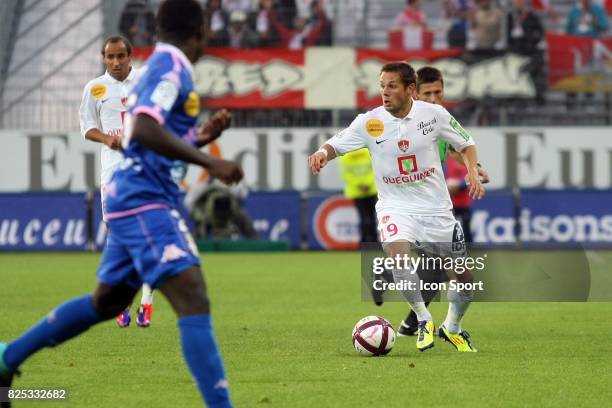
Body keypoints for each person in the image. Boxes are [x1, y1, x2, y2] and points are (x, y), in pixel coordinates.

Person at [1, 1, 243, 407]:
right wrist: (210, 161)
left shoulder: (158, 67)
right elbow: (145, 128)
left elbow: (144, 134)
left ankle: (7, 356)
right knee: (193, 297)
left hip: (136, 193)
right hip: (143, 197)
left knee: (107, 301)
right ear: (199, 30)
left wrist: (200, 138)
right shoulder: (171, 68)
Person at [309, 62, 484, 352]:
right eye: (381, 86)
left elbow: (466, 143)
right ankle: (423, 318)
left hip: (436, 210)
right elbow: (336, 144)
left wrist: (473, 171)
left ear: (409, 89)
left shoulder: (434, 115)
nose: (384, 93)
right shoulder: (370, 122)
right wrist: (321, 153)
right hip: (395, 206)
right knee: (397, 254)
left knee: (464, 279)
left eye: (392, 86)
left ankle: (452, 327)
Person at [396, 66, 490, 337]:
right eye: (428, 93)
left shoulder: (437, 119)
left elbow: (455, 147)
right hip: (410, 205)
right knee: (442, 267)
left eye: (439, 92)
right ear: (414, 93)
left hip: (432, 206)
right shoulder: (403, 121)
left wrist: (474, 167)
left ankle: (414, 324)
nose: (435, 98)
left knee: (439, 268)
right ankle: (431, 325)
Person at [79, 36, 155, 329]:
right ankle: (122, 302)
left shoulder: (146, 81)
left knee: (149, 234)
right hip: (112, 172)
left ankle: (146, 303)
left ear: (129, 56)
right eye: (110, 57)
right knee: (117, 238)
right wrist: (108, 139)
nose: (116, 62)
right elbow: (87, 127)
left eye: (121, 56)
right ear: (103, 57)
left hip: (145, 170)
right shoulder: (94, 88)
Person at [338, 149, 378, 243]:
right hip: (371, 189)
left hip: (357, 190)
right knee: (371, 217)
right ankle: (373, 242)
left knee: (364, 217)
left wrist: (359, 185)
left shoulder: (345, 154)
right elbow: (376, 169)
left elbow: (346, 174)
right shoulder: (368, 150)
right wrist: (368, 184)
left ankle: (364, 242)